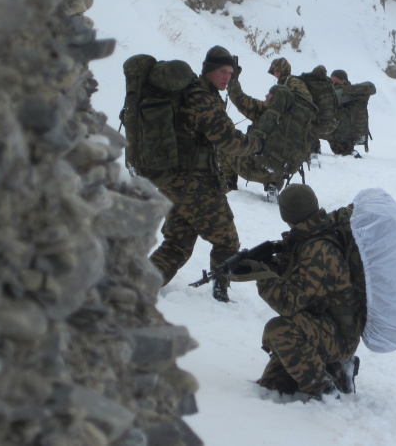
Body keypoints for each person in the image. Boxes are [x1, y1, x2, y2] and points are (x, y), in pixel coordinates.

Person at [148, 45, 263, 302]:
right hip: (195, 184)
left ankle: (138, 284)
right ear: (209, 70)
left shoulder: (192, 93)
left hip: (174, 182)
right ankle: (220, 294)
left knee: (177, 243)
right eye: (223, 71)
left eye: (231, 73)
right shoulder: (202, 97)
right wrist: (256, 144)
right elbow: (227, 139)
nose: (227, 78)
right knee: (227, 241)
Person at [231, 184, 364, 399]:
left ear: (287, 215)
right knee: (274, 384)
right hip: (322, 323)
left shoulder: (317, 249)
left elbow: (288, 304)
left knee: (280, 331)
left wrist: (262, 276)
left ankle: (326, 390)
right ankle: (337, 370)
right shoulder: (315, 231)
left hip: (339, 334)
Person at [223, 66, 293, 202]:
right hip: (275, 173)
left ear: (276, 99)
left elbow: (238, 98)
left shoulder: (265, 110)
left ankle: (229, 182)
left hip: (249, 168)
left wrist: (233, 79)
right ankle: (274, 186)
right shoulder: (293, 121)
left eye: (270, 94)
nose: (266, 95)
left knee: (224, 143)